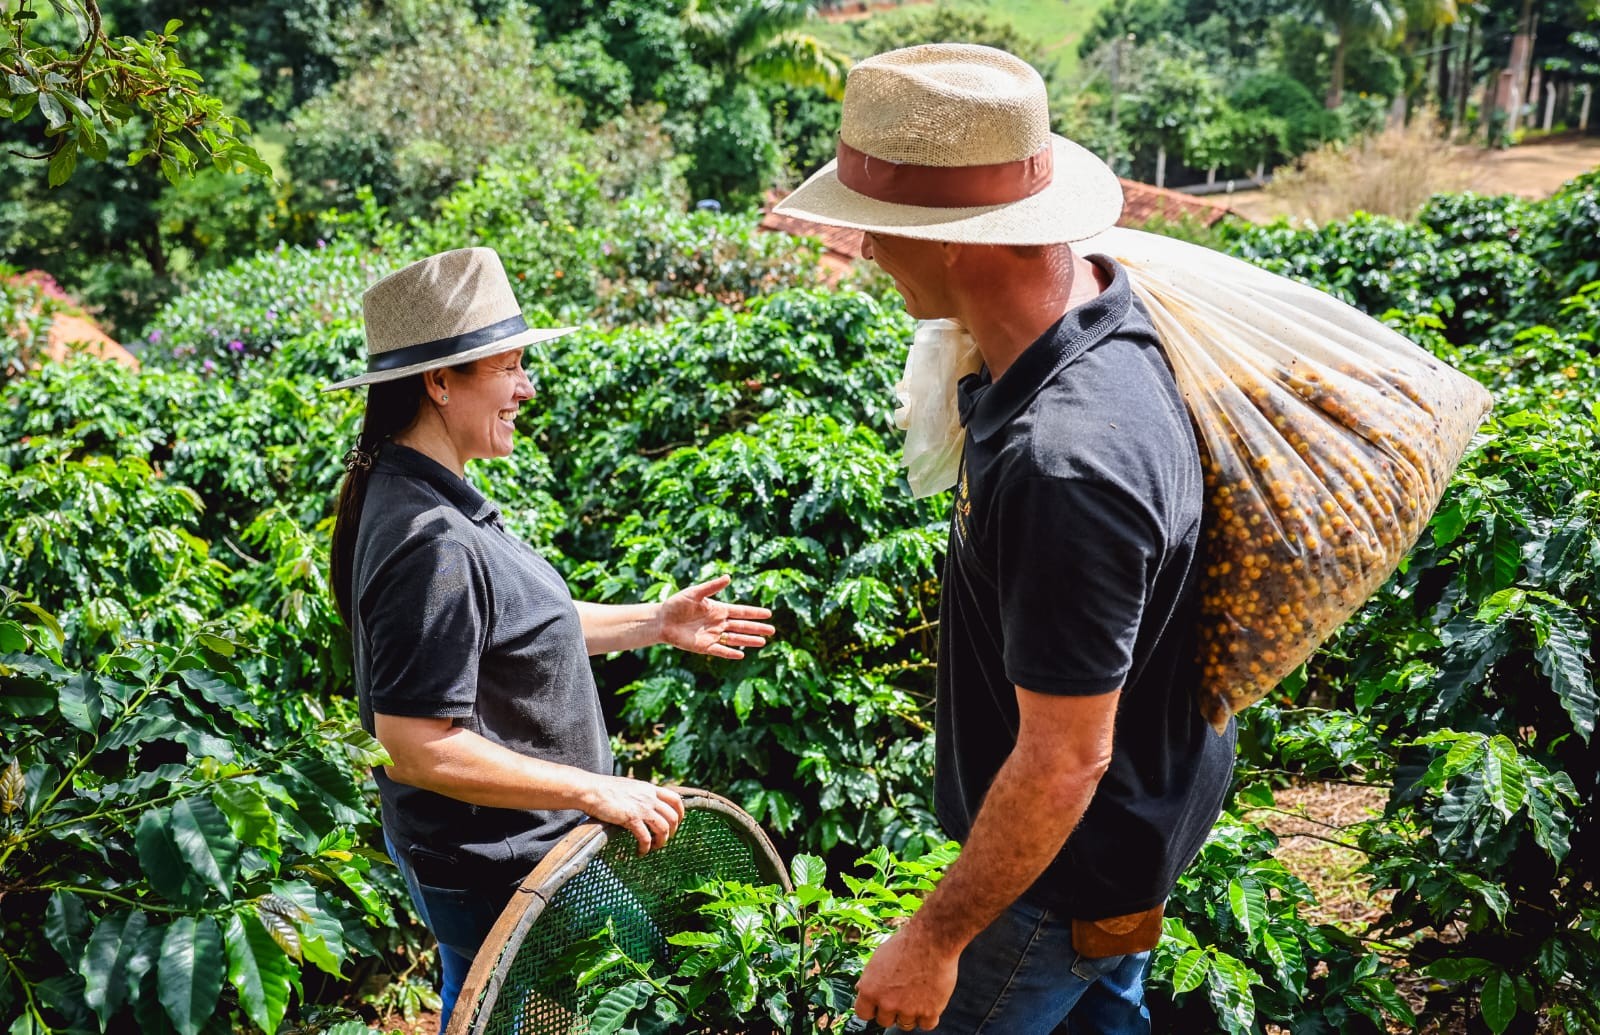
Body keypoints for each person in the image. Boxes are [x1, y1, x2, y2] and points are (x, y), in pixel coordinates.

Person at [774, 44, 1236, 1033]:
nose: (864, 252)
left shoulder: (1063, 463)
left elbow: (1064, 759)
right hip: (1121, 854)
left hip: (1051, 893)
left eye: (878, 226)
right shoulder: (1095, 308)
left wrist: (933, 939)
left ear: (956, 241)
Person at [324, 247, 776, 1032]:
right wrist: (589, 788)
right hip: (509, 864)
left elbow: (517, 630)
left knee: (482, 1001)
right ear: (440, 381)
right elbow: (414, 745)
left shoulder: (420, 494)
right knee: (652, 1005)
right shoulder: (432, 539)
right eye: (509, 367)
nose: (527, 387)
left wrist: (655, 621)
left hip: (498, 857)